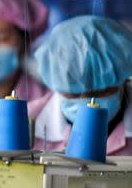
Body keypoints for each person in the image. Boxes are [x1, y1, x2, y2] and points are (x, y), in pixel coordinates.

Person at [30, 15, 132, 154]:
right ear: (55, 81)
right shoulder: (27, 121)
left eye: (102, 92)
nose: (89, 101)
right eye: (74, 93)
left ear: (123, 79)